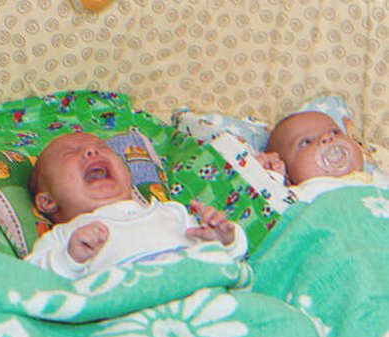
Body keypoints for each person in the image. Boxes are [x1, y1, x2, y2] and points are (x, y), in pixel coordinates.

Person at [24, 132, 247, 279]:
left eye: (102, 147)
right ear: (48, 201)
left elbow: (230, 260)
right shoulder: (66, 237)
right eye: (70, 153)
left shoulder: (172, 211)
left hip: (193, 294)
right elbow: (29, 282)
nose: (91, 152)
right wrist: (70, 258)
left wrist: (226, 240)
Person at [257, 110, 388, 202]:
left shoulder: (378, 180)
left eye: (335, 132)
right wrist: (272, 177)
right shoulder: (299, 195)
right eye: (306, 142)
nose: (327, 138)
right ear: (288, 175)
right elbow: (269, 207)